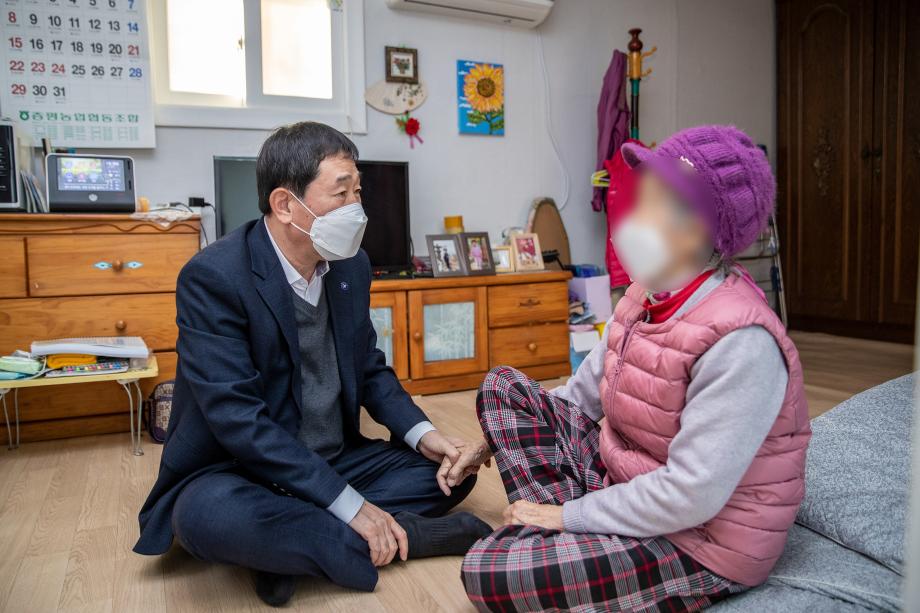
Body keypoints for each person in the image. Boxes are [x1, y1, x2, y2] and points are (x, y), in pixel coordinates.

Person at [444, 125, 812, 611]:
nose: (629, 217)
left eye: (649, 204)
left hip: (700, 539)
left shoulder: (741, 341)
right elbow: (580, 396)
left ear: (696, 228)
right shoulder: (645, 293)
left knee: (486, 569)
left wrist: (569, 516)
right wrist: (490, 442)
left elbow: (690, 495)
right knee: (502, 388)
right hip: (630, 482)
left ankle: (556, 537)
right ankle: (562, 539)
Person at [133, 122, 490, 607]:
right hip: (239, 468)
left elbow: (369, 369)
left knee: (449, 474)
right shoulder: (213, 277)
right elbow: (238, 420)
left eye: (357, 192)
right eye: (341, 193)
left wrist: (428, 436)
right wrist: (352, 506)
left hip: (334, 458)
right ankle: (408, 535)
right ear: (285, 204)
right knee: (205, 517)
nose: (357, 208)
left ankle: (289, 553)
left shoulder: (351, 264)